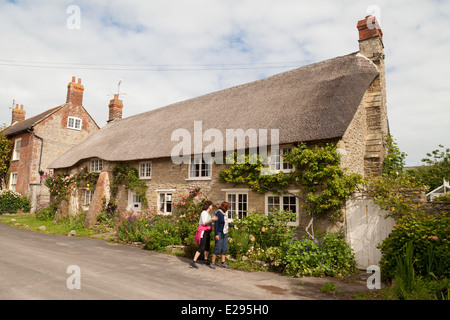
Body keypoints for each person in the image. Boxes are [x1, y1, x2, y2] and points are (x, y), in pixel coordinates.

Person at [210, 201, 238, 269]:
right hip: (219, 233)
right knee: (218, 248)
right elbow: (216, 225)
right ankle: (212, 263)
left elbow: (225, 224)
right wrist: (216, 234)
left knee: (224, 248)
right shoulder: (218, 214)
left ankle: (223, 263)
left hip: (224, 233)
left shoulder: (224, 214)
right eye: (228, 207)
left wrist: (233, 226)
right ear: (225, 207)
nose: (228, 208)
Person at [190, 201, 217, 269]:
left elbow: (209, 223)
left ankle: (205, 260)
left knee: (207, 247)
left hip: (207, 231)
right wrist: (212, 219)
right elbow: (205, 223)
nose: (212, 206)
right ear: (208, 206)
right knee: (202, 247)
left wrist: (214, 223)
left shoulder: (208, 213)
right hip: (203, 232)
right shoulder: (204, 213)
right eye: (211, 205)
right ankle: (193, 262)